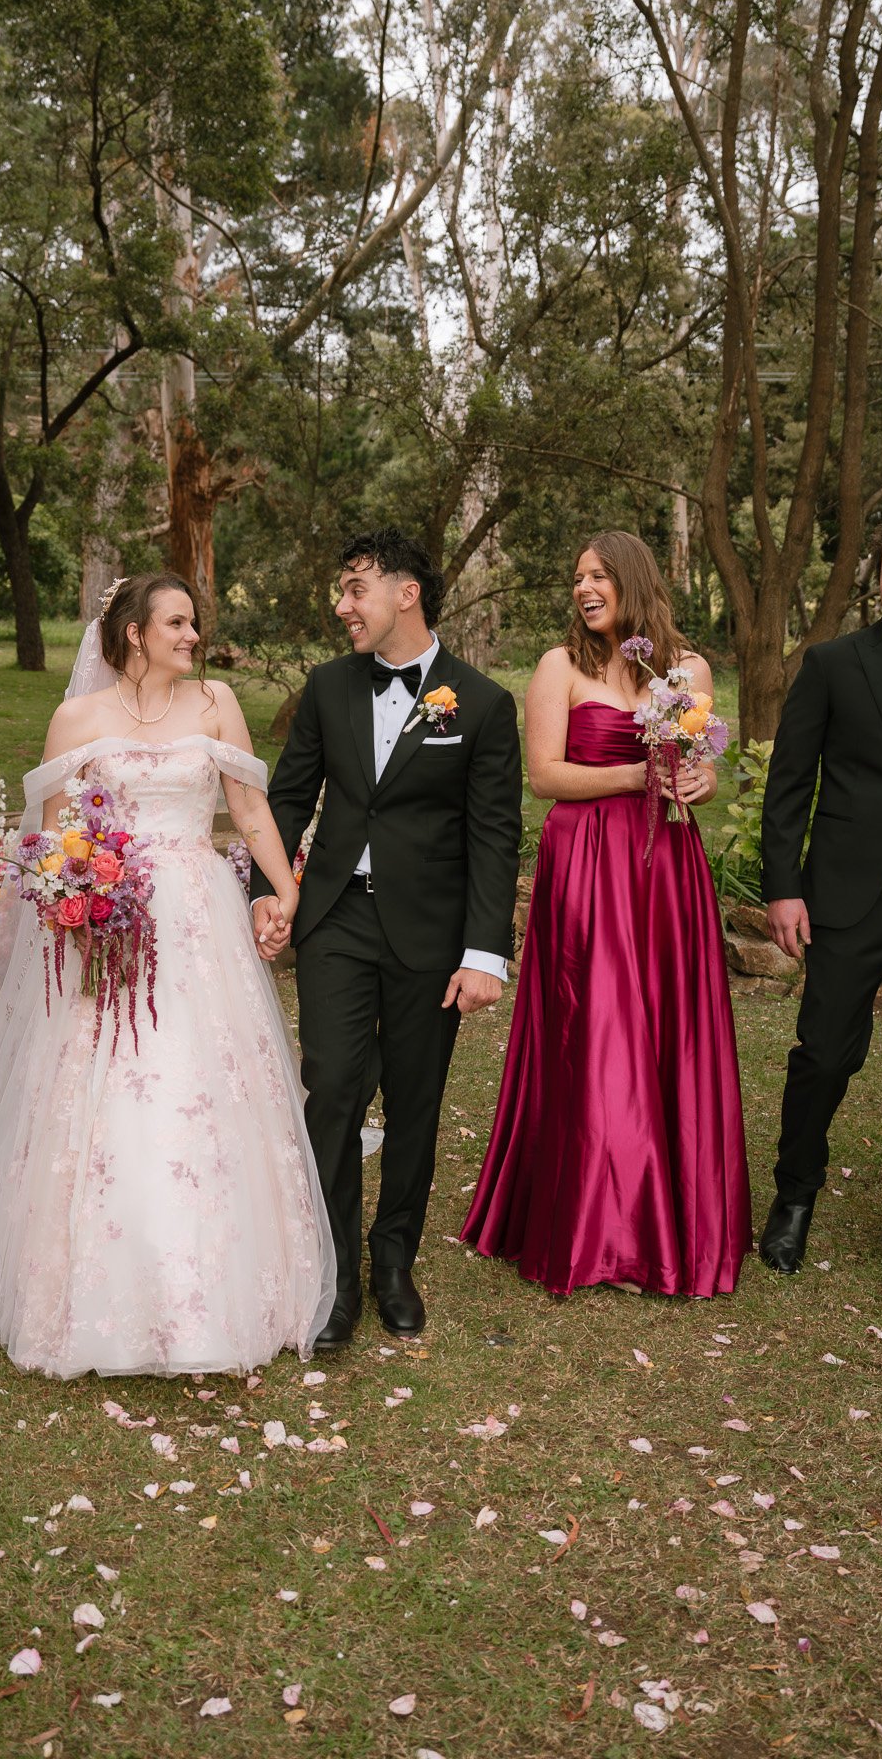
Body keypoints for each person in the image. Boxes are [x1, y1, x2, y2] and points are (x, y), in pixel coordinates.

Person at [0, 572, 334, 1377]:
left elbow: (252, 810)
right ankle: (92, 1294)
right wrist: (77, 896)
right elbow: (52, 840)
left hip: (199, 918)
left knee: (208, 1073)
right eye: (179, 623)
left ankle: (219, 1287)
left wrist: (283, 891)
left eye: (193, 623)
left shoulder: (216, 703)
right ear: (134, 633)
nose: (193, 636)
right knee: (105, 1080)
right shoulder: (76, 718)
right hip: (112, 922)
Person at [250, 530, 523, 1348]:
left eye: (354, 587)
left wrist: (483, 954)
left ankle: (392, 1257)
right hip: (336, 918)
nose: (342, 605)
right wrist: (268, 890)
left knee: (413, 1100)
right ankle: (334, 1276)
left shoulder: (481, 703)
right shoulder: (328, 687)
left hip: (431, 933)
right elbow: (286, 799)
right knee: (331, 1086)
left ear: (405, 592)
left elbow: (494, 836)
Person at [461, 530, 751, 1295]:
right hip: (585, 862)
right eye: (576, 577)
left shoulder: (684, 668)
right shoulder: (560, 666)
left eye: (596, 576)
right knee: (595, 1023)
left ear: (631, 580)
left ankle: (662, 1215)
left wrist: (699, 785)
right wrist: (632, 774)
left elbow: (702, 767)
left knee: (662, 1023)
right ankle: (597, 1224)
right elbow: (545, 776)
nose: (582, 588)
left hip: (666, 865)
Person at [760, 517, 882, 1281]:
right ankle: (793, 1200)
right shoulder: (831, 664)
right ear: (875, 580)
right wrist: (783, 889)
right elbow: (788, 782)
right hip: (850, 900)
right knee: (822, 1057)